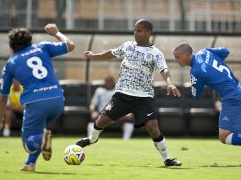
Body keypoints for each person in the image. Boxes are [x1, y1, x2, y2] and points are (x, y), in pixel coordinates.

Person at [76, 19, 182, 166]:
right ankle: (92, 139)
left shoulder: (155, 53)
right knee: (101, 121)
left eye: (139, 30)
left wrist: (169, 83)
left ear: (148, 32)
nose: (135, 33)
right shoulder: (128, 46)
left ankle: (167, 159)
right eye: (135, 30)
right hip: (122, 95)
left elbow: (164, 70)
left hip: (144, 97)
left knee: (153, 129)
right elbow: (111, 53)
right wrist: (94, 56)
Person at [0, 23, 75, 172]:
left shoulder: (11, 63)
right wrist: (57, 33)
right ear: (30, 40)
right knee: (37, 131)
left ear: (11, 45)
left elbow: (3, 96)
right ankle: (30, 164)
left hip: (36, 103)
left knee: (28, 142)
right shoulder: (42, 47)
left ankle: (42, 136)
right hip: (57, 99)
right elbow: (70, 45)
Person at [173, 43, 241, 165]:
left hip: (232, 97)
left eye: (177, 57)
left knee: (224, 136)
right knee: (240, 131)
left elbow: (196, 95)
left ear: (187, 55)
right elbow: (225, 51)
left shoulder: (195, 71)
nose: (175, 60)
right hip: (239, 91)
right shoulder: (205, 52)